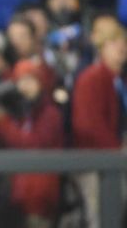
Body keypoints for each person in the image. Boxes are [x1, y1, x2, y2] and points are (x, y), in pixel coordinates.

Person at [0, 60, 64, 228]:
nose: (25, 86)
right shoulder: (23, 111)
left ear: (40, 83)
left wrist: (3, 122)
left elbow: (33, 143)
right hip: (19, 196)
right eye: (21, 81)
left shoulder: (49, 112)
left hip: (40, 196)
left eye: (30, 80)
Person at [72, 21, 127, 228]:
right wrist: (118, 151)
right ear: (102, 46)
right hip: (96, 164)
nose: (122, 47)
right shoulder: (91, 79)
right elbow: (88, 125)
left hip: (119, 162)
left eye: (124, 42)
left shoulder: (120, 80)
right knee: (101, 219)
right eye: (114, 42)